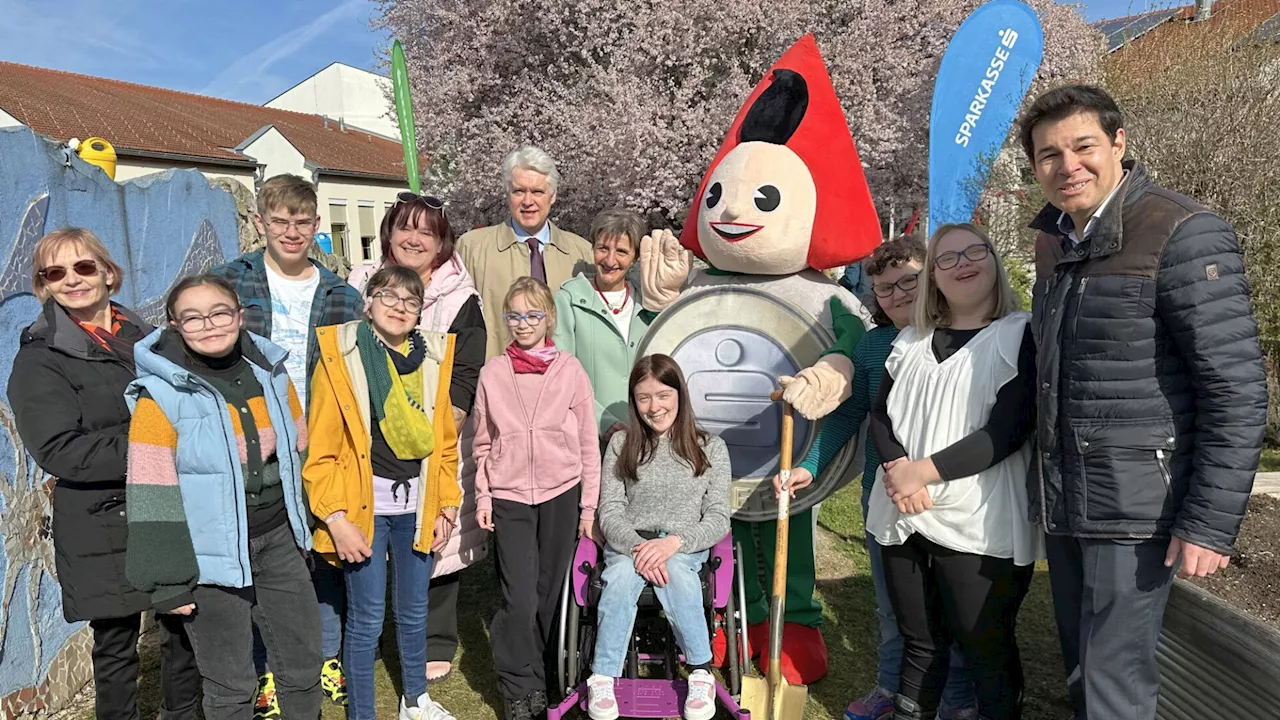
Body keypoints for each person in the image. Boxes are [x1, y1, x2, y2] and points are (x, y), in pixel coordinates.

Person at [1020, 85, 1267, 720]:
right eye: (1049, 155)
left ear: (1119, 144)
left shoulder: (1181, 232)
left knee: (1114, 683)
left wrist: (1209, 522)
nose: (1067, 166)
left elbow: (1234, 391)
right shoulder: (1055, 244)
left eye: (1083, 147)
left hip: (1138, 510)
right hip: (1068, 503)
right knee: (1082, 669)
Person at [772, 237, 978, 720]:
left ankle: (958, 698)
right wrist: (808, 464)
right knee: (894, 607)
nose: (900, 293)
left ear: (930, 277)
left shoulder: (963, 336)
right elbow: (850, 417)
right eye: (885, 288)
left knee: (954, 608)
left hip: (950, 500)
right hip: (883, 500)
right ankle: (891, 686)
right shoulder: (871, 347)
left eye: (910, 280)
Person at [7, 228, 201, 720]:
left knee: (184, 634)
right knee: (116, 650)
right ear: (44, 286)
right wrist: (159, 445)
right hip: (103, 518)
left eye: (84, 267)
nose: (72, 279)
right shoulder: (40, 358)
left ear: (107, 273)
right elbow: (61, 450)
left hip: (169, 506)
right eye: (56, 273)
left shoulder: (146, 337)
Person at [125, 274, 321, 719]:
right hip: (207, 557)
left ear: (238, 315)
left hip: (279, 541)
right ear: (175, 326)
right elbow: (150, 488)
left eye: (219, 312)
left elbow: (299, 447)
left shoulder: (270, 374)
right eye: (192, 318)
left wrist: (306, 524)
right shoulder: (162, 396)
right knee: (231, 685)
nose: (209, 325)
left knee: (304, 665)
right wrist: (168, 581)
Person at [865, 224, 1041, 720]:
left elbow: (1008, 430)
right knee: (920, 644)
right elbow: (881, 414)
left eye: (973, 252)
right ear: (934, 276)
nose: (962, 263)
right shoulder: (911, 340)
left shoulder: (1018, 334)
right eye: (947, 258)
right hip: (902, 511)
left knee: (984, 644)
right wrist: (899, 469)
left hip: (977, 519)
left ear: (994, 261)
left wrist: (922, 472)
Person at [210, 173, 363, 712]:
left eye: (302, 221)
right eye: (280, 221)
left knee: (323, 549)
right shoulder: (229, 282)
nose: (291, 231)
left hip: (321, 438)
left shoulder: (343, 295)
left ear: (317, 225)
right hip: (254, 438)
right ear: (261, 223)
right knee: (263, 551)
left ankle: (324, 658)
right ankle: (267, 668)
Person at [304, 266, 461, 720]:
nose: (399, 307)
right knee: (367, 621)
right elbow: (323, 452)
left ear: (420, 312)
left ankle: (415, 699)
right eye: (388, 296)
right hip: (362, 510)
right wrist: (336, 519)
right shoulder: (342, 358)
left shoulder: (432, 360)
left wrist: (445, 507)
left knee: (414, 614)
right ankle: (362, 714)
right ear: (368, 302)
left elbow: (444, 444)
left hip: (417, 505)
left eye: (410, 301)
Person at [346, 194, 486, 685]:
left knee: (437, 532)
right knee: (373, 526)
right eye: (405, 228)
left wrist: (445, 424)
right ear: (388, 233)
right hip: (369, 431)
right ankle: (372, 629)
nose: (414, 239)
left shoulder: (459, 297)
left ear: (441, 241)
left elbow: (467, 366)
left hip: (438, 429)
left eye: (426, 232)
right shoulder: (360, 281)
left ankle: (435, 638)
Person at [472, 277, 601, 720]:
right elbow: (482, 443)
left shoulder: (570, 371)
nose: (523, 324)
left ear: (549, 317)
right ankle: (517, 684)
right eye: (514, 315)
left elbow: (588, 445)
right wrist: (484, 497)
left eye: (532, 314)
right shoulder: (493, 373)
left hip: (560, 493)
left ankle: (548, 677)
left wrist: (589, 508)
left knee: (550, 593)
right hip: (509, 496)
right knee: (519, 596)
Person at [586, 354, 731, 720]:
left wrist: (672, 544)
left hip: (685, 545)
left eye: (663, 395)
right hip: (631, 544)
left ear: (679, 394)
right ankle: (602, 675)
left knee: (679, 573)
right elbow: (611, 510)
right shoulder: (622, 446)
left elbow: (718, 516)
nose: (654, 407)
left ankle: (701, 671)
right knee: (617, 576)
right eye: (643, 397)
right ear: (634, 401)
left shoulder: (710, 447)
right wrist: (638, 548)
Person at [457, 145, 594, 358]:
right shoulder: (472, 249)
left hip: (562, 383)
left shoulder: (582, 253)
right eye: (519, 191)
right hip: (497, 382)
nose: (528, 201)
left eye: (538, 192)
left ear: (553, 195)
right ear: (507, 194)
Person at [553, 208, 656, 442]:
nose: (610, 260)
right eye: (603, 248)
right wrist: (603, 422)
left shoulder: (648, 304)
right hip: (590, 440)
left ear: (635, 257)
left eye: (621, 251)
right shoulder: (568, 300)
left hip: (647, 437)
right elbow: (562, 375)